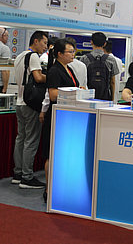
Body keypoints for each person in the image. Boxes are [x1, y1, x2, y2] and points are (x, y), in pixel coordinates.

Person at [41, 39, 79, 202]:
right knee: (51, 153)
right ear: (59, 54)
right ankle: (48, 189)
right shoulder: (55, 70)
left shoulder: (68, 68)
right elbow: (53, 95)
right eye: (70, 52)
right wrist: (75, 92)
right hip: (56, 115)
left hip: (67, 115)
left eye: (73, 51)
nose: (73, 54)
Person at [12, 30, 48, 189]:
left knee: (20, 138)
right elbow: (38, 78)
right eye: (44, 43)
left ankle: (18, 173)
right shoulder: (33, 56)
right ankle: (27, 177)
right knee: (31, 140)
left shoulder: (20, 56)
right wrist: (51, 77)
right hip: (30, 104)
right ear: (36, 41)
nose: (45, 47)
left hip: (20, 102)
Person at [80, 32, 120, 100]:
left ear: (91, 42)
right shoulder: (111, 59)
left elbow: (82, 80)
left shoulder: (84, 58)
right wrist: (112, 99)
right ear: (105, 44)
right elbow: (113, 82)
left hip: (88, 97)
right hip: (105, 97)